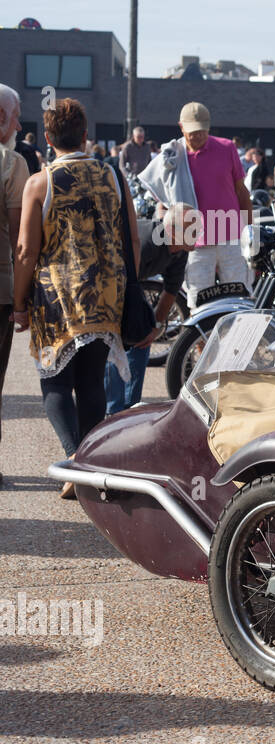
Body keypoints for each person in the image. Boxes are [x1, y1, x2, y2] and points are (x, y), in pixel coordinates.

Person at [10, 99, 134, 497]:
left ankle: (74, 462)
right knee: (92, 380)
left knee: (56, 385)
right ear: (85, 135)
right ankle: (89, 464)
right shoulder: (113, 175)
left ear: (47, 138)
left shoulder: (40, 182)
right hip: (106, 292)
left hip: (57, 296)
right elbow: (130, 237)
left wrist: (18, 302)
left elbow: (26, 251)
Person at [139, 101, 253, 308]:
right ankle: (199, 341)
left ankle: (237, 338)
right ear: (181, 127)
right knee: (199, 302)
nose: (197, 136)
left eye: (202, 131)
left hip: (231, 236)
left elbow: (242, 192)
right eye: (192, 132)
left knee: (239, 297)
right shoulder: (172, 158)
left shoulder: (227, 148)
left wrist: (251, 231)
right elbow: (163, 201)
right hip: (194, 244)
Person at [105, 209, 192, 414]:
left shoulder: (181, 249)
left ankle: (131, 406)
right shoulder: (147, 244)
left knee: (143, 338)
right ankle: (112, 410)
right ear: (171, 230)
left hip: (132, 286)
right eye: (191, 230)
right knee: (114, 341)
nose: (197, 235)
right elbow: (117, 279)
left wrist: (156, 328)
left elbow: (170, 291)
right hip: (110, 283)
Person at [0, 87, 32, 488]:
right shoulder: (11, 163)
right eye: (16, 116)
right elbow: (19, 239)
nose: (21, 125)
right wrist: (23, 301)